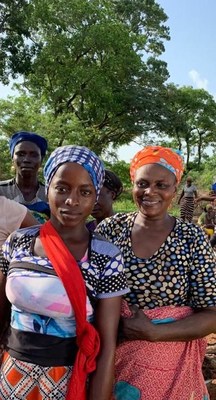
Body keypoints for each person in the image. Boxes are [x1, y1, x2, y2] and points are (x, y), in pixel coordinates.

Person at [0, 145, 129, 400]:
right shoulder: (18, 241)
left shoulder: (105, 255)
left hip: (68, 381)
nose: (72, 200)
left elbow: (105, 347)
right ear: (47, 189)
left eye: (85, 191)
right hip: (12, 376)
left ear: (95, 197)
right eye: (62, 188)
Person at [96, 145, 216, 400]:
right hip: (112, 358)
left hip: (171, 367)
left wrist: (154, 332)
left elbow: (212, 314)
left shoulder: (191, 237)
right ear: (132, 185)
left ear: (175, 189)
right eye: (143, 183)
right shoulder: (110, 229)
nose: (150, 192)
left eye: (162, 185)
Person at [0, 131, 50, 223]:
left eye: (34, 155)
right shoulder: (1, 191)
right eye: (21, 154)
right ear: (12, 158)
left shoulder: (50, 194)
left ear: (41, 159)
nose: (27, 160)